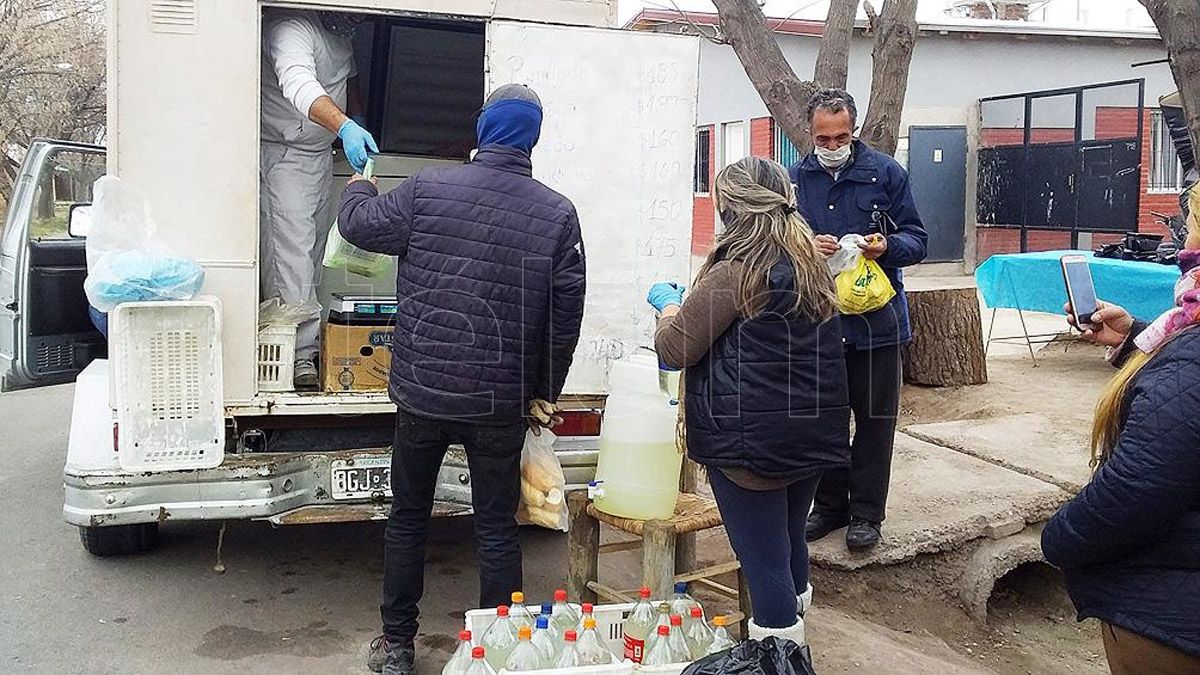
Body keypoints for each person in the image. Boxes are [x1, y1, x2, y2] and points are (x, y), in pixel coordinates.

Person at [337, 84, 586, 675]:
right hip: (499, 401)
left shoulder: (427, 188)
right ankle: (498, 651)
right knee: (497, 527)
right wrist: (541, 393)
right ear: (533, 138)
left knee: (408, 516)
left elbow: (359, 227)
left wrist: (359, 183)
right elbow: (564, 318)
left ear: (483, 131)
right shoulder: (557, 213)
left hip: (422, 394)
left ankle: (397, 645)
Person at [647, 156, 850, 645]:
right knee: (787, 545)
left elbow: (676, 348)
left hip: (747, 447)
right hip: (810, 436)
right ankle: (795, 635)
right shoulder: (812, 268)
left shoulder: (736, 273)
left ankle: (781, 652)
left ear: (730, 209)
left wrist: (668, 305)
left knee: (764, 568)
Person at [1042, 189, 1200, 675]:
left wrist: (1059, 539)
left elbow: (1139, 485)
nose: (1182, 239)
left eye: (1190, 221)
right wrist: (1135, 336)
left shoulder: (1190, 363)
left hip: (1166, 612)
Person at [790, 88, 928, 551]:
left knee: (875, 419)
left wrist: (887, 246)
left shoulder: (886, 173)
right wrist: (805, 247)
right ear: (809, 134)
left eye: (841, 137)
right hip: (820, 321)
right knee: (825, 420)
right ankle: (830, 507)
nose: (832, 147)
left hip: (877, 322)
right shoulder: (794, 180)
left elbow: (918, 238)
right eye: (822, 139)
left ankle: (867, 514)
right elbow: (777, 245)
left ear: (854, 131)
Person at [261, 9, 377, 388]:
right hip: (283, 153)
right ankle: (295, 355)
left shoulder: (341, 36)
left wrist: (357, 121)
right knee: (289, 254)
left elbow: (349, 81)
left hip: (317, 156)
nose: (356, 20)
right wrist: (344, 126)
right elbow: (298, 84)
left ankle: (306, 347)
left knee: (310, 255)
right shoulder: (292, 29)